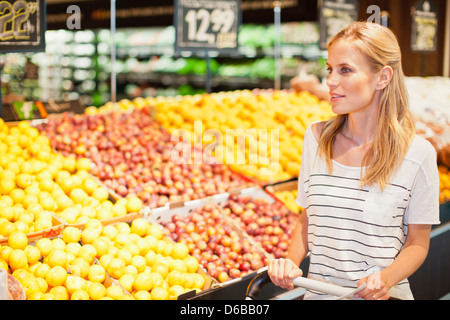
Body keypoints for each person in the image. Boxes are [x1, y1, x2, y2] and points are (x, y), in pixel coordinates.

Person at [268, 21, 440, 300]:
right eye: (330, 69)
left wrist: (386, 279)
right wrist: (290, 261)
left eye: (345, 70)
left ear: (383, 77)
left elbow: (418, 244)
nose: (331, 81)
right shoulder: (316, 138)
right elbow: (307, 217)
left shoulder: (417, 154)